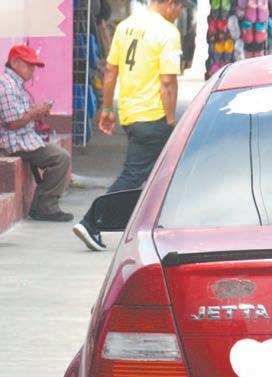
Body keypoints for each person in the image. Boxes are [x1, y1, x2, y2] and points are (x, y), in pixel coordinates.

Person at [73, 0, 187, 250]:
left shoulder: (126, 26)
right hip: (153, 115)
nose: (180, 13)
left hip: (130, 113)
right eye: (181, 8)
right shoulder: (167, 32)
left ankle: (148, 226)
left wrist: (106, 110)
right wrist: (170, 120)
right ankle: (91, 222)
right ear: (170, 3)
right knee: (135, 175)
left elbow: (110, 70)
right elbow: (167, 82)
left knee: (158, 174)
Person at [0, 44, 73, 222]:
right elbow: (13, 123)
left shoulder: (15, 85)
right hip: (11, 141)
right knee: (61, 158)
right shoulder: (5, 87)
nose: (33, 69)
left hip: (22, 137)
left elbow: (20, 115)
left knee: (57, 155)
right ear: (15, 62)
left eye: (34, 65)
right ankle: (46, 206)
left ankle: (43, 204)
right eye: (29, 65)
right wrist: (35, 113)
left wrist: (37, 112)